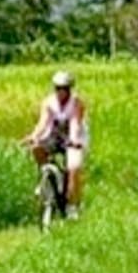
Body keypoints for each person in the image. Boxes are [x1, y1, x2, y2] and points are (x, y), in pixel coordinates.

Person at [23, 70, 89, 220]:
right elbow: (43, 122)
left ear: (69, 89)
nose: (61, 92)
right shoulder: (48, 102)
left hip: (75, 138)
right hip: (54, 135)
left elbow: (75, 124)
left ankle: (71, 205)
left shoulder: (77, 103)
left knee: (73, 168)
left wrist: (73, 141)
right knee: (37, 148)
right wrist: (34, 136)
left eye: (64, 88)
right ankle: (48, 175)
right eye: (58, 88)